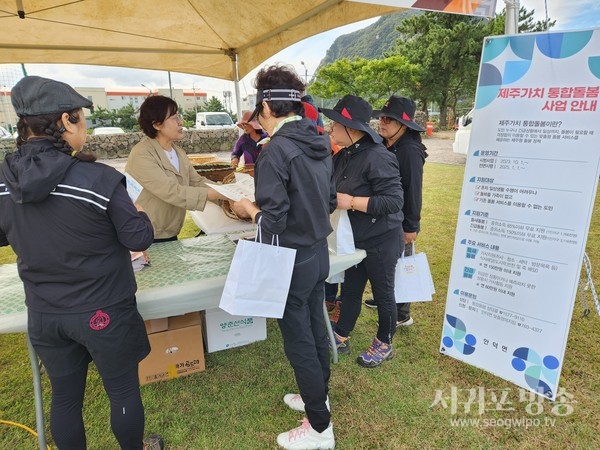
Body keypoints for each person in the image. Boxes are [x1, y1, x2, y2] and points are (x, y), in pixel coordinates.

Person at [0, 76, 158, 449]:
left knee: (66, 397)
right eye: (81, 118)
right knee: (121, 390)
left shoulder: (6, 181)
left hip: (45, 313)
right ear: (67, 121)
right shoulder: (98, 178)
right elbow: (137, 237)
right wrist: (139, 213)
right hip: (103, 309)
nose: (84, 127)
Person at [231, 65, 336, 450]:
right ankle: (317, 397)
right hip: (317, 253)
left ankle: (320, 429)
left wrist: (249, 210)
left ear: (265, 108)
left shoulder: (275, 151)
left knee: (299, 341)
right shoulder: (319, 140)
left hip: (292, 259)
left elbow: (272, 220)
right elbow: (327, 201)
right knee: (314, 327)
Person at [321, 94, 404, 368]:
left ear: (352, 128)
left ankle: (384, 342)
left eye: (335, 123)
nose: (330, 127)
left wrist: (353, 202)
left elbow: (394, 201)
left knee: (383, 294)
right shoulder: (343, 155)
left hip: (381, 238)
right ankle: (342, 333)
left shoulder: (378, 157)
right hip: (354, 238)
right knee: (351, 289)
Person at [125, 95, 228, 242]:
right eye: (174, 118)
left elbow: (195, 181)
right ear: (157, 125)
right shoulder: (142, 155)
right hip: (146, 233)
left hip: (170, 230)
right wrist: (218, 194)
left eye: (178, 116)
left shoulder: (178, 152)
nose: (180, 122)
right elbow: (172, 191)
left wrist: (227, 194)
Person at [365, 95, 428, 327]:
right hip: (387, 216)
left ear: (403, 124)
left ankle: (402, 313)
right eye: (382, 117)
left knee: (402, 264)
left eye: (389, 120)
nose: (382, 122)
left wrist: (411, 226)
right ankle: (385, 299)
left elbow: (413, 190)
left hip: (401, 218)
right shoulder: (387, 143)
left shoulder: (410, 150)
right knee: (388, 263)